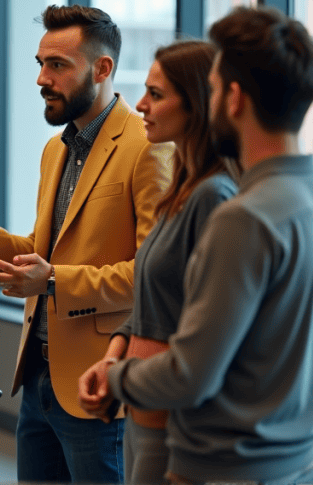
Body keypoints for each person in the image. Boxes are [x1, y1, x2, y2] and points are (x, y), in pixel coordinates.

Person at [104, 6, 313, 484]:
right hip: (305, 468)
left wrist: (114, 377)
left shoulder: (241, 218)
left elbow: (190, 376)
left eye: (211, 89)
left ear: (234, 98)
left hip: (222, 471)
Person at [0, 4, 172, 482]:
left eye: (58, 66)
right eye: (40, 64)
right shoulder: (56, 150)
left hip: (98, 384)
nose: (42, 79)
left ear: (102, 68)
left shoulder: (147, 147)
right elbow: (47, 251)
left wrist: (52, 280)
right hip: (38, 379)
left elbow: (153, 277)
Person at [77, 40, 237, 484]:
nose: (142, 105)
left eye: (157, 94)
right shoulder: (180, 190)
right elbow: (155, 301)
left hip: (175, 422)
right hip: (140, 410)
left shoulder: (214, 197)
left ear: (199, 105)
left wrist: (122, 375)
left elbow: (202, 322)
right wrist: (112, 359)